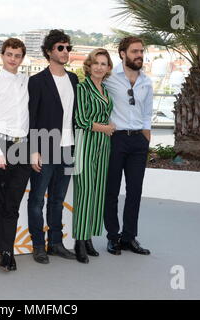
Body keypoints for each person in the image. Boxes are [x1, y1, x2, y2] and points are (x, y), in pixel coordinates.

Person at [28, 29, 78, 264]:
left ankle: (55, 243)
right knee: (37, 199)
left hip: (68, 148)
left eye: (68, 47)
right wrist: (34, 150)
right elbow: (32, 118)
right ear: (49, 51)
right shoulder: (37, 81)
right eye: (60, 47)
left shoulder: (74, 79)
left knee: (58, 199)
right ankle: (38, 245)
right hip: (45, 146)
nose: (65, 51)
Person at [0, 38, 32, 272]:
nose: (13, 59)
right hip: (1, 145)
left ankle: (7, 250)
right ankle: (3, 251)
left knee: (13, 203)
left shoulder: (27, 82)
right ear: (2, 56)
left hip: (23, 147)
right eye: (9, 54)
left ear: (22, 58)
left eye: (17, 55)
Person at [103, 36, 153, 256]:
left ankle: (129, 237)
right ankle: (112, 237)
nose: (139, 55)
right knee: (111, 190)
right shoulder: (110, 78)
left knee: (135, 191)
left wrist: (146, 137)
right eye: (134, 51)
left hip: (138, 142)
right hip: (116, 138)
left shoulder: (147, 82)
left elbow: (148, 113)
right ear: (123, 54)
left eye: (141, 51)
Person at [73, 49, 115, 264]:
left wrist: (108, 128)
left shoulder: (106, 90)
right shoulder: (82, 88)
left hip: (103, 146)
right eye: (96, 63)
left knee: (98, 192)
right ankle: (79, 241)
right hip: (85, 144)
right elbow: (80, 120)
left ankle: (89, 237)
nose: (99, 67)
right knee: (85, 192)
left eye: (104, 63)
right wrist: (106, 128)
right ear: (89, 65)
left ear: (108, 68)